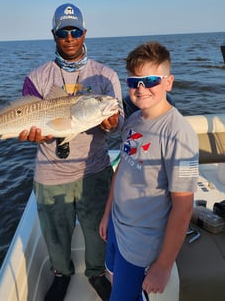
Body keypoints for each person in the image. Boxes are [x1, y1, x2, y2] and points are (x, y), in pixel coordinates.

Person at [19, 3, 123, 301]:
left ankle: (96, 273)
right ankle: (61, 274)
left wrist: (113, 121)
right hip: (50, 174)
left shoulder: (105, 76)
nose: (69, 37)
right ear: (54, 35)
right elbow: (28, 121)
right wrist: (31, 135)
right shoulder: (36, 78)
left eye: (74, 30)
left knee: (97, 231)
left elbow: (118, 124)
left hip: (95, 171)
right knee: (55, 235)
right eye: (63, 31)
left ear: (84, 33)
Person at [99, 41, 199, 301]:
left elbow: (183, 206)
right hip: (117, 227)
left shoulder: (180, 134)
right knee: (111, 275)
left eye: (151, 80)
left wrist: (163, 266)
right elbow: (121, 167)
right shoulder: (132, 120)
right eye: (134, 82)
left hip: (141, 245)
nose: (141, 89)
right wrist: (108, 213)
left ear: (169, 82)